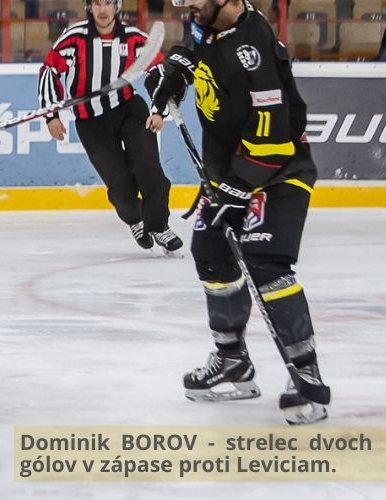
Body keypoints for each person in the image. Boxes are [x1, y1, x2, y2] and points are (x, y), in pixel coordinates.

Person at [145, 0, 331, 424]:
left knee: (266, 262)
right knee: (210, 250)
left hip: (278, 168)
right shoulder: (207, 21)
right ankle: (233, 362)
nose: (186, 5)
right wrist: (174, 75)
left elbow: (275, 143)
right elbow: (193, 48)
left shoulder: (254, 51)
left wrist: (235, 188)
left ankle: (305, 371)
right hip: (233, 168)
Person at [38, 0, 183, 253]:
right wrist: (51, 115)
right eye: (96, 4)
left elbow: (159, 73)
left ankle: (159, 225)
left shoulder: (134, 38)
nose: (102, 10)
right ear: (89, 7)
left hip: (129, 109)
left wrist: (158, 110)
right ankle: (135, 218)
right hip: (90, 121)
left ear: (116, 6)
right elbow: (50, 70)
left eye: (107, 3)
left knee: (149, 169)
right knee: (120, 184)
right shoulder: (74, 38)